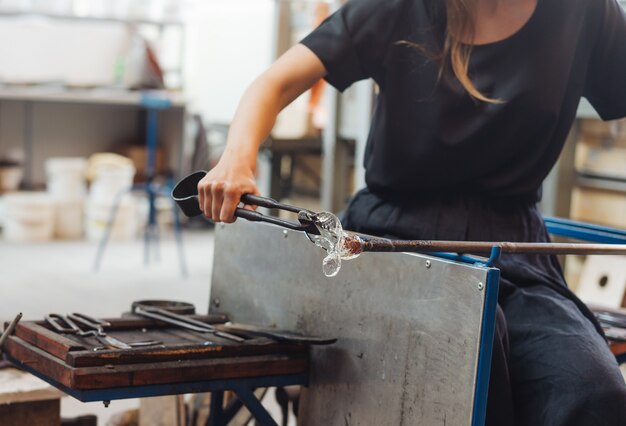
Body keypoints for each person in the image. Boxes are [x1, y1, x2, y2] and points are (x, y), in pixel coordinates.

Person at [197, 0, 626, 424]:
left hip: (514, 252)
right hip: (394, 241)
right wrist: (237, 158)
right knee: (475, 357)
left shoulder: (582, 11)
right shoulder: (403, 8)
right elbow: (276, 81)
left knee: (592, 393)